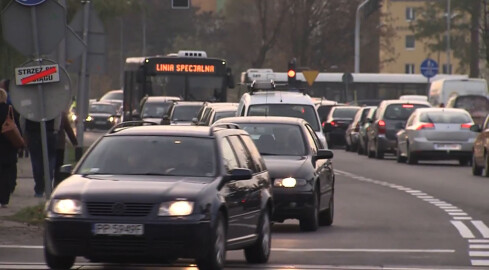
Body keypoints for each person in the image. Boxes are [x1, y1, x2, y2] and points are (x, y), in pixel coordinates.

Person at [21, 112, 60, 197]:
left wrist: (24, 132)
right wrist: (55, 129)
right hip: (50, 132)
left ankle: (39, 188)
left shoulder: (29, 102)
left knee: (36, 162)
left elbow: (23, 117)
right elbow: (57, 115)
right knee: (49, 160)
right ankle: (48, 187)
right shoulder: (51, 101)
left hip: (33, 132)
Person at [0, 88, 20, 208]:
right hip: (9, 144)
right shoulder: (10, 110)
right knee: (8, 172)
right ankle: (4, 199)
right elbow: (17, 126)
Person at [54, 111, 78, 187]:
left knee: (54, 165)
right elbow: (68, 129)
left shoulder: (46, 113)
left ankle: (54, 182)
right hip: (59, 145)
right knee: (58, 165)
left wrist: (74, 142)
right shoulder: (61, 114)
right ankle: (56, 183)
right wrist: (74, 142)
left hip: (54, 144)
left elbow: (68, 128)